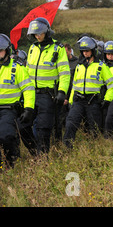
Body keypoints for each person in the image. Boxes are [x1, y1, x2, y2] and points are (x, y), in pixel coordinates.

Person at [26, 17, 70, 154]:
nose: (37, 36)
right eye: (35, 34)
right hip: (31, 94)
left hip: (47, 95)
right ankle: (35, 152)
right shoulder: (32, 48)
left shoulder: (58, 48)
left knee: (43, 129)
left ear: (47, 32)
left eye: (40, 33)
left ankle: (43, 158)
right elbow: (26, 71)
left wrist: (62, 91)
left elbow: (64, 73)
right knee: (23, 126)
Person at [63, 36, 113, 149]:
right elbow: (75, 85)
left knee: (95, 129)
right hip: (78, 101)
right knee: (70, 124)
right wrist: (71, 101)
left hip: (92, 102)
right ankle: (67, 149)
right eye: (83, 51)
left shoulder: (101, 66)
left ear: (93, 51)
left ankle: (96, 151)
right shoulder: (79, 66)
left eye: (87, 51)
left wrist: (107, 100)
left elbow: (112, 85)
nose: (85, 53)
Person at [0, 34, 35, 169]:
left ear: (7, 51)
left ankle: (11, 163)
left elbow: (28, 89)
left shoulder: (17, 68)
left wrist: (29, 109)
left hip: (9, 110)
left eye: (0, 50)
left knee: (5, 135)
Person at [54, 43, 79, 141]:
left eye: (65, 52)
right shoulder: (58, 62)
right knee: (59, 119)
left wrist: (70, 98)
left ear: (69, 51)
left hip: (73, 94)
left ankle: (70, 139)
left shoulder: (76, 62)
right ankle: (58, 140)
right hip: (61, 94)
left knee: (71, 119)